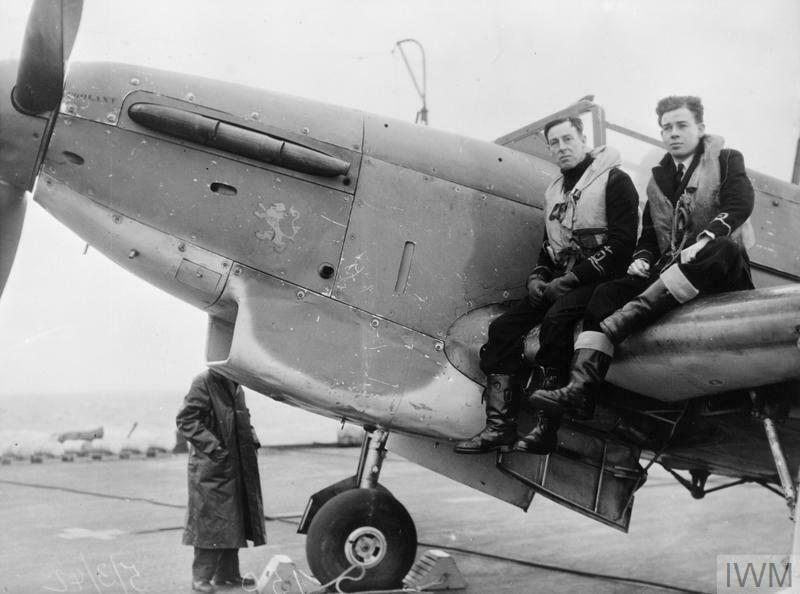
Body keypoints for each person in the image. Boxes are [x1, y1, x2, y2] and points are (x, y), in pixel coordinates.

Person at [529, 95, 755, 421]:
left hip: (721, 270)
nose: (673, 133)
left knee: (722, 249)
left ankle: (627, 319)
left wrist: (706, 237)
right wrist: (643, 258)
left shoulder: (728, 159)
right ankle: (581, 388)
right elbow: (649, 232)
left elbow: (739, 203)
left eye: (682, 125)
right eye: (666, 128)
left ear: (701, 128)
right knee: (606, 293)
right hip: (672, 274)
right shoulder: (659, 178)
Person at [454, 116, 639, 455]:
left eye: (568, 139)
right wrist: (537, 276)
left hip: (602, 279)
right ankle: (499, 428)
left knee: (556, 323)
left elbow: (623, 244)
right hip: (560, 280)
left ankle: (546, 429)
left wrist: (571, 279)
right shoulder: (556, 191)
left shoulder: (616, 180)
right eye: (555, 143)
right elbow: (548, 245)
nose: (562, 147)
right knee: (503, 328)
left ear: (583, 139)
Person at [176, 369, 267, 593]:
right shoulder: (204, 381)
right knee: (210, 523)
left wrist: (251, 437)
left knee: (232, 521)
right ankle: (200, 578)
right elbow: (186, 419)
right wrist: (214, 448)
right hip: (212, 466)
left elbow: (241, 417)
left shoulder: (235, 383)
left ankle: (227, 576)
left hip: (232, 465)